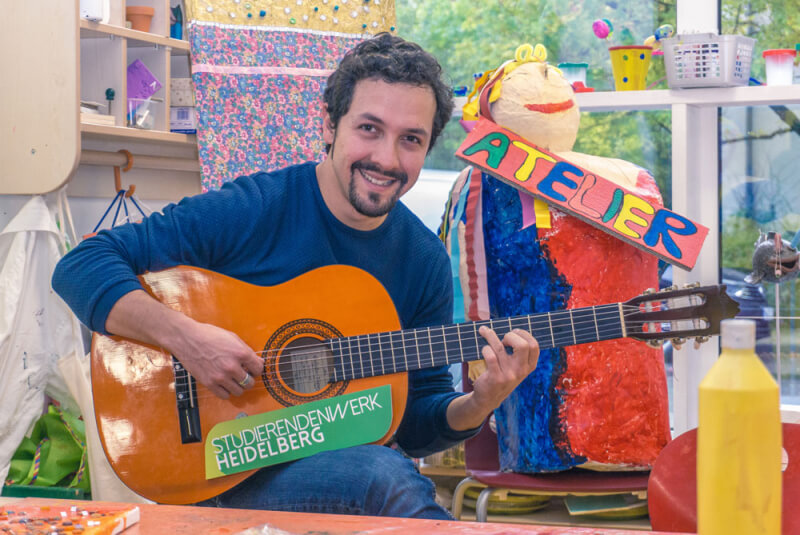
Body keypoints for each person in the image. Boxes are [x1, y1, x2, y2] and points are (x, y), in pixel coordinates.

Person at [52, 33, 539, 519]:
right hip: (218, 467)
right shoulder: (256, 208)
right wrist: (188, 340)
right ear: (329, 124)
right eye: (369, 128)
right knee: (384, 478)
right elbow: (81, 266)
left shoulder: (422, 259)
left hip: (337, 468)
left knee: (385, 472)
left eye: (410, 139)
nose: (387, 159)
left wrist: (480, 402)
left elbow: (414, 422)